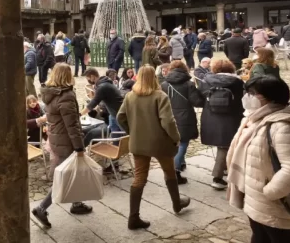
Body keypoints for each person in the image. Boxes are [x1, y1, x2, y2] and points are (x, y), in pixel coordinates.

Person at [226, 76, 290, 243]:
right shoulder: (255, 119)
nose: (247, 97)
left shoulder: (282, 126)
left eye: (252, 93)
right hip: (256, 201)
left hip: (275, 205)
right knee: (259, 237)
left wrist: (270, 193)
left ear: (269, 97)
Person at [117, 66, 190, 229]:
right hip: (160, 143)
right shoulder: (159, 96)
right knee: (169, 172)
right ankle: (177, 204)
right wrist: (176, 138)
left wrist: (132, 131)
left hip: (138, 143)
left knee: (139, 177)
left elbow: (120, 117)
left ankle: (133, 217)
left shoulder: (130, 96)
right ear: (154, 78)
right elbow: (168, 121)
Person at [32, 63, 92, 229]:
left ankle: (76, 202)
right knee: (63, 178)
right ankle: (41, 208)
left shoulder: (50, 93)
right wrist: (79, 147)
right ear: (67, 75)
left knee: (71, 172)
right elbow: (71, 125)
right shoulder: (66, 95)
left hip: (56, 139)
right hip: (66, 141)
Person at [199, 59, 244, 190]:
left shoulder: (206, 81)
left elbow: (200, 98)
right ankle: (217, 178)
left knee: (222, 145)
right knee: (225, 146)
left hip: (211, 117)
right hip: (232, 117)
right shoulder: (237, 82)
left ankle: (224, 169)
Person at [160, 60, 204, 184]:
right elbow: (197, 102)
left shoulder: (164, 84)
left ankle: (180, 163)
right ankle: (174, 172)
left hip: (168, 116)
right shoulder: (188, 84)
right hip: (185, 117)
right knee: (183, 143)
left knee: (174, 143)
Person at [82, 68, 124, 136]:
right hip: (113, 113)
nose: (88, 81)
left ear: (92, 76)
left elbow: (92, 104)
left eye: (88, 78)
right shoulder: (103, 83)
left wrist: (80, 114)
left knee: (124, 135)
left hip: (118, 113)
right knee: (115, 135)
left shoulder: (102, 86)